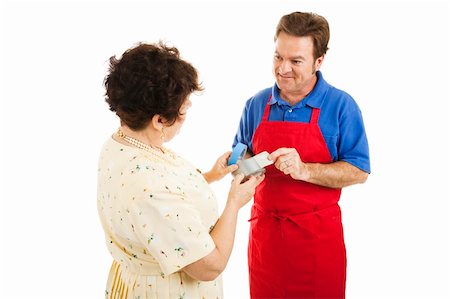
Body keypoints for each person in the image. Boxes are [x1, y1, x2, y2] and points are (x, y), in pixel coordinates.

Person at [97, 41, 264, 299]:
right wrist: (234, 202)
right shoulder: (149, 184)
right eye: (183, 111)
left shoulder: (122, 143)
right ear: (159, 120)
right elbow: (211, 266)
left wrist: (210, 176)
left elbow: (165, 202)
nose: (186, 115)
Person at [232, 12, 371, 298]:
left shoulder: (341, 106)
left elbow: (359, 170)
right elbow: (238, 163)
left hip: (317, 243)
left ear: (319, 61)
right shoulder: (256, 105)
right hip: (266, 242)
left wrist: (305, 169)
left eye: (295, 61)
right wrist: (242, 165)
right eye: (277, 57)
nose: (283, 69)